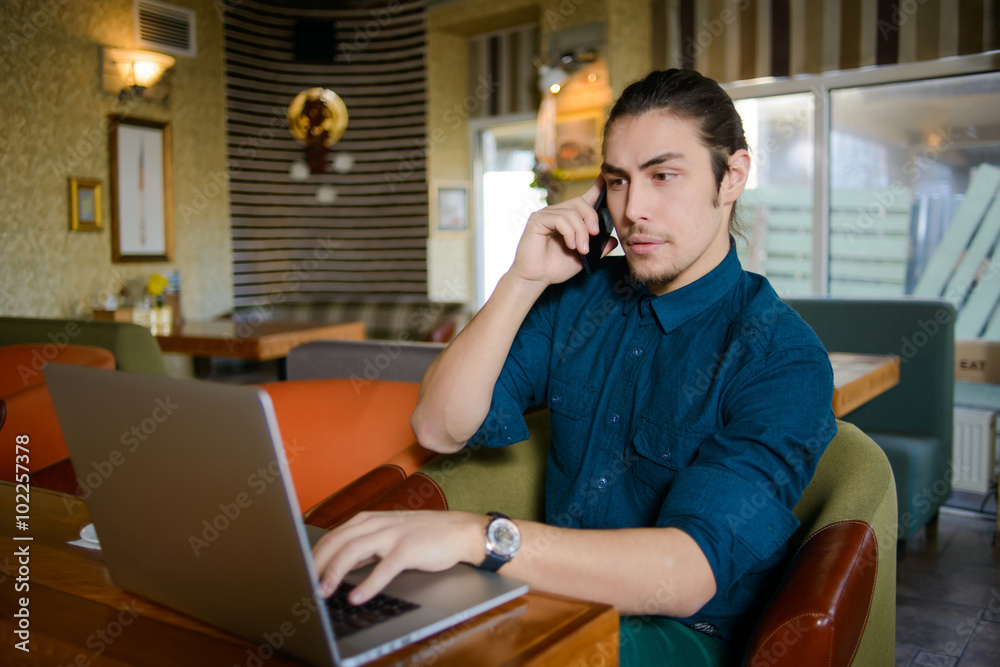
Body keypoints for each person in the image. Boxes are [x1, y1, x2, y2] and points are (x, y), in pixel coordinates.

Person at [312, 69, 836, 665]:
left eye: (664, 175)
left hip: (687, 634)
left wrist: (474, 536)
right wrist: (522, 280)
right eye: (617, 181)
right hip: (550, 591)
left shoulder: (781, 357)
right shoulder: (579, 299)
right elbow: (439, 426)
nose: (634, 208)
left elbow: (689, 572)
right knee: (360, 630)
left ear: (732, 176)